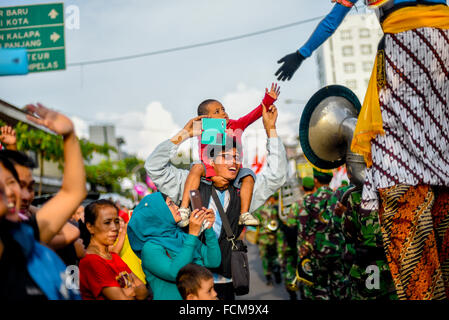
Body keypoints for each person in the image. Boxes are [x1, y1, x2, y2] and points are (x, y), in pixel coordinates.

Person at [277, 0, 449, 300]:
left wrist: (302, 53)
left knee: (392, 166)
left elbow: (333, 21)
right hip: (443, 46)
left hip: (404, 49)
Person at [145, 104, 288, 300]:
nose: (234, 162)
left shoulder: (244, 191)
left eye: (236, 157)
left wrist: (270, 129)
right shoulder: (188, 184)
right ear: (210, 161)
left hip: (226, 282)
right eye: (226, 156)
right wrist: (184, 135)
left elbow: (277, 176)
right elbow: (154, 167)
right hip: (193, 285)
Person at [179, 83, 280, 228]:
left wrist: (268, 100)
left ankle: (244, 213)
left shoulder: (236, 125)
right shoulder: (203, 129)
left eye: (223, 109)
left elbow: (253, 115)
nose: (223, 113)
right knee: (196, 167)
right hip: (209, 169)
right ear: (205, 118)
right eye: (217, 111)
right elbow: (193, 142)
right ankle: (184, 208)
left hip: (234, 170)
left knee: (249, 176)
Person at [127, 192, 221, 300]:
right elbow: (176, 273)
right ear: (158, 211)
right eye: (170, 204)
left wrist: (209, 228)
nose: (176, 207)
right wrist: (192, 235)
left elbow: (214, 261)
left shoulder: (181, 236)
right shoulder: (150, 248)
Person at [78, 199, 150, 300]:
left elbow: (143, 290)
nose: (114, 228)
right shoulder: (91, 261)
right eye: (107, 222)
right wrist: (133, 288)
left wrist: (129, 291)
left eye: (116, 221)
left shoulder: (114, 256)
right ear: (90, 227)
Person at [253, 194, 281, 286]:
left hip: (262, 238)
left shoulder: (258, 210)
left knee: (265, 257)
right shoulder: (275, 209)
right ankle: (277, 273)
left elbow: (254, 223)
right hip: (273, 237)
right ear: (271, 198)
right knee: (274, 256)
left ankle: (268, 277)